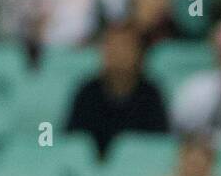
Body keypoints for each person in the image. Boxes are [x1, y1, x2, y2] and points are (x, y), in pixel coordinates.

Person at [66, 22, 169, 158]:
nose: (118, 53)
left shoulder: (151, 95)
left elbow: (157, 145)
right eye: (111, 46)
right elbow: (73, 143)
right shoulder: (87, 92)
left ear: (139, 53)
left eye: (125, 47)